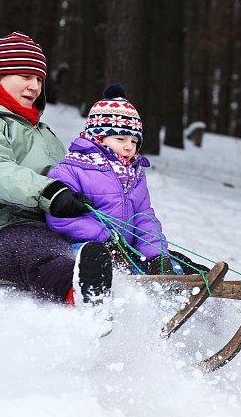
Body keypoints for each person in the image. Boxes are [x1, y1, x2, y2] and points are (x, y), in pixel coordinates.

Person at [0, 31, 113, 306]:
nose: (34, 87)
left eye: (39, 79)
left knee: (117, 247)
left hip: (57, 229)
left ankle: (183, 286)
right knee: (34, 246)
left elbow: (73, 177)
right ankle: (82, 295)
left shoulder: (42, 132)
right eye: (25, 76)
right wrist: (49, 192)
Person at [46, 84, 193, 275]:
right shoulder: (72, 169)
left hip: (125, 252)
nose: (129, 147)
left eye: (134, 141)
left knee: (172, 268)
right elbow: (60, 218)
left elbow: (144, 217)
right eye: (120, 139)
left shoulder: (135, 173)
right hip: (82, 250)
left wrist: (156, 255)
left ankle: (187, 292)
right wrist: (104, 239)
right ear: (98, 138)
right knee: (98, 263)